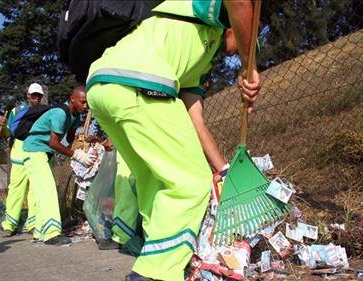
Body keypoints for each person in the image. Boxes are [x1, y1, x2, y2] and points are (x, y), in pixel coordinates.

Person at [85, 1, 261, 279]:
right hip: (141, 81)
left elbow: (195, 121)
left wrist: (222, 170)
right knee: (191, 184)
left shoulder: (195, 52)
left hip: (104, 86)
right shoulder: (206, 11)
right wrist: (249, 65)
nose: (241, 44)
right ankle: (154, 273)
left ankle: (158, 256)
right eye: (246, 35)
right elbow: (240, 3)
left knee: (154, 180)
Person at [22, 85, 94, 246]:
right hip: (33, 151)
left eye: (87, 103)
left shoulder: (74, 116)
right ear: (72, 99)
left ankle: (40, 232)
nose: (85, 106)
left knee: (42, 193)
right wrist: (76, 155)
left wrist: (83, 143)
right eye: (83, 102)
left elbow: (69, 140)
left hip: (41, 153)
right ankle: (52, 233)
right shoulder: (61, 113)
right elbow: (54, 143)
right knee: (48, 190)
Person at [0, 82, 46, 237]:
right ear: (28, 96)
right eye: (34, 96)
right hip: (19, 156)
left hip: (36, 154)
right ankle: (9, 225)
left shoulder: (44, 112)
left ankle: (33, 224)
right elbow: (8, 135)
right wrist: (2, 127)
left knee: (35, 191)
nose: (37, 99)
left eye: (39, 96)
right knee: (16, 190)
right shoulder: (17, 111)